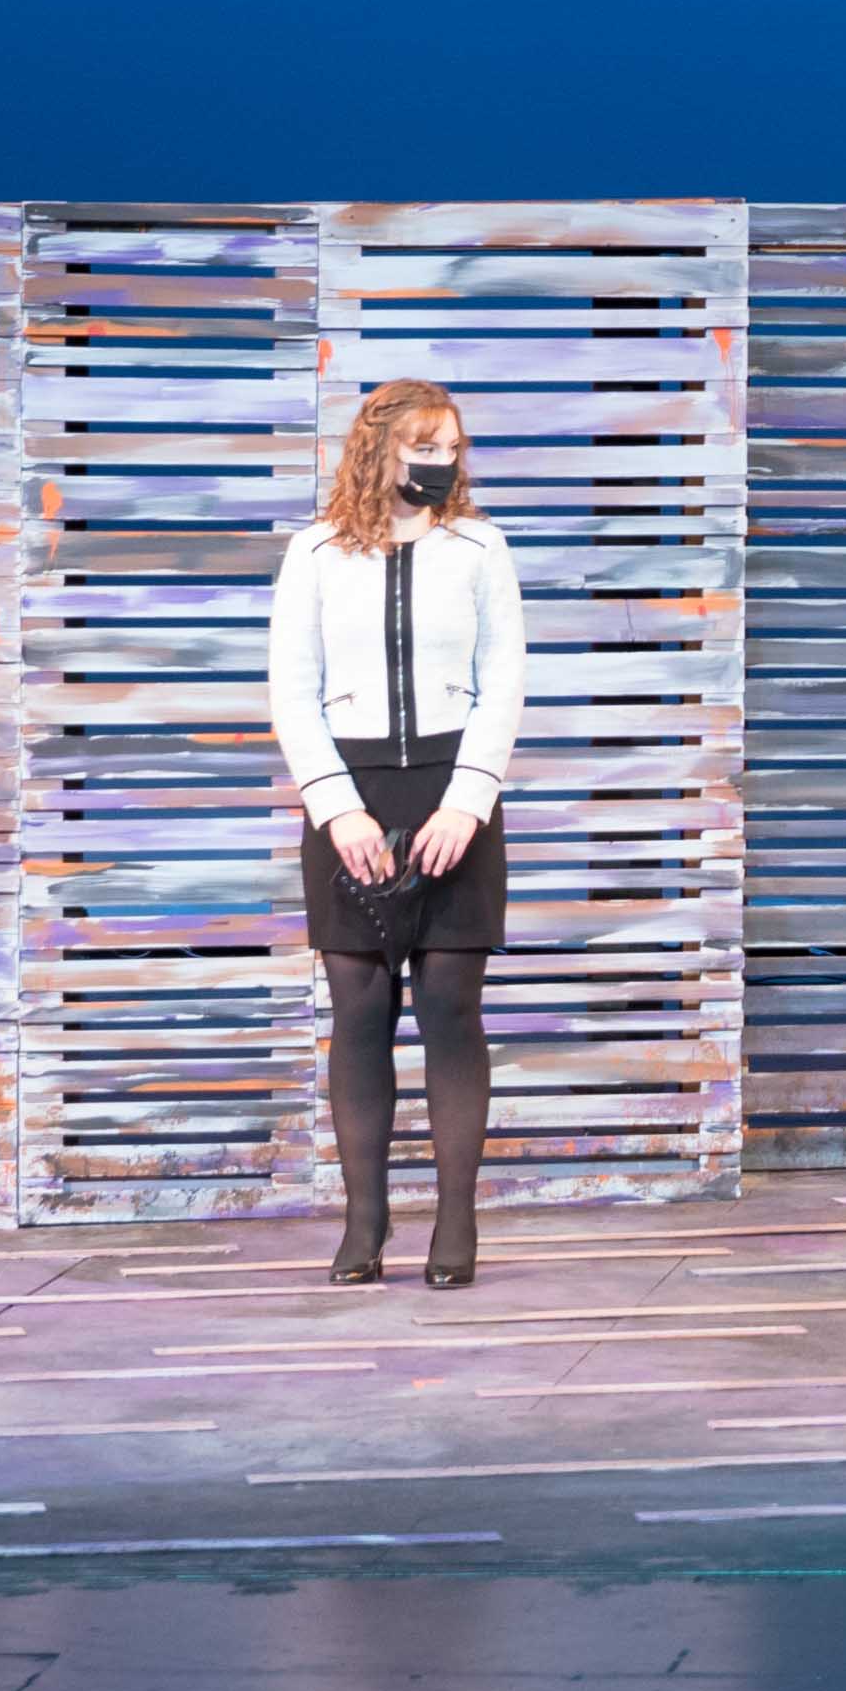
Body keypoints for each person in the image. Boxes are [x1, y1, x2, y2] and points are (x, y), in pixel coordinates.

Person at [272, 378, 520, 1289]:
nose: (440, 462)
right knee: (360, 1010)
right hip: (353, 794)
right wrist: (338, 808)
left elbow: (504, 678)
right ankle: (364, 1223)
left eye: (451, 447)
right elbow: (292, 689)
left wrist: (468, 801)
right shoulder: (315, 551)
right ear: (379, 447)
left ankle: (456, 1222)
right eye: (423, 446)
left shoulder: (481, 547)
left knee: (451, 1007)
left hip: (455, 793)